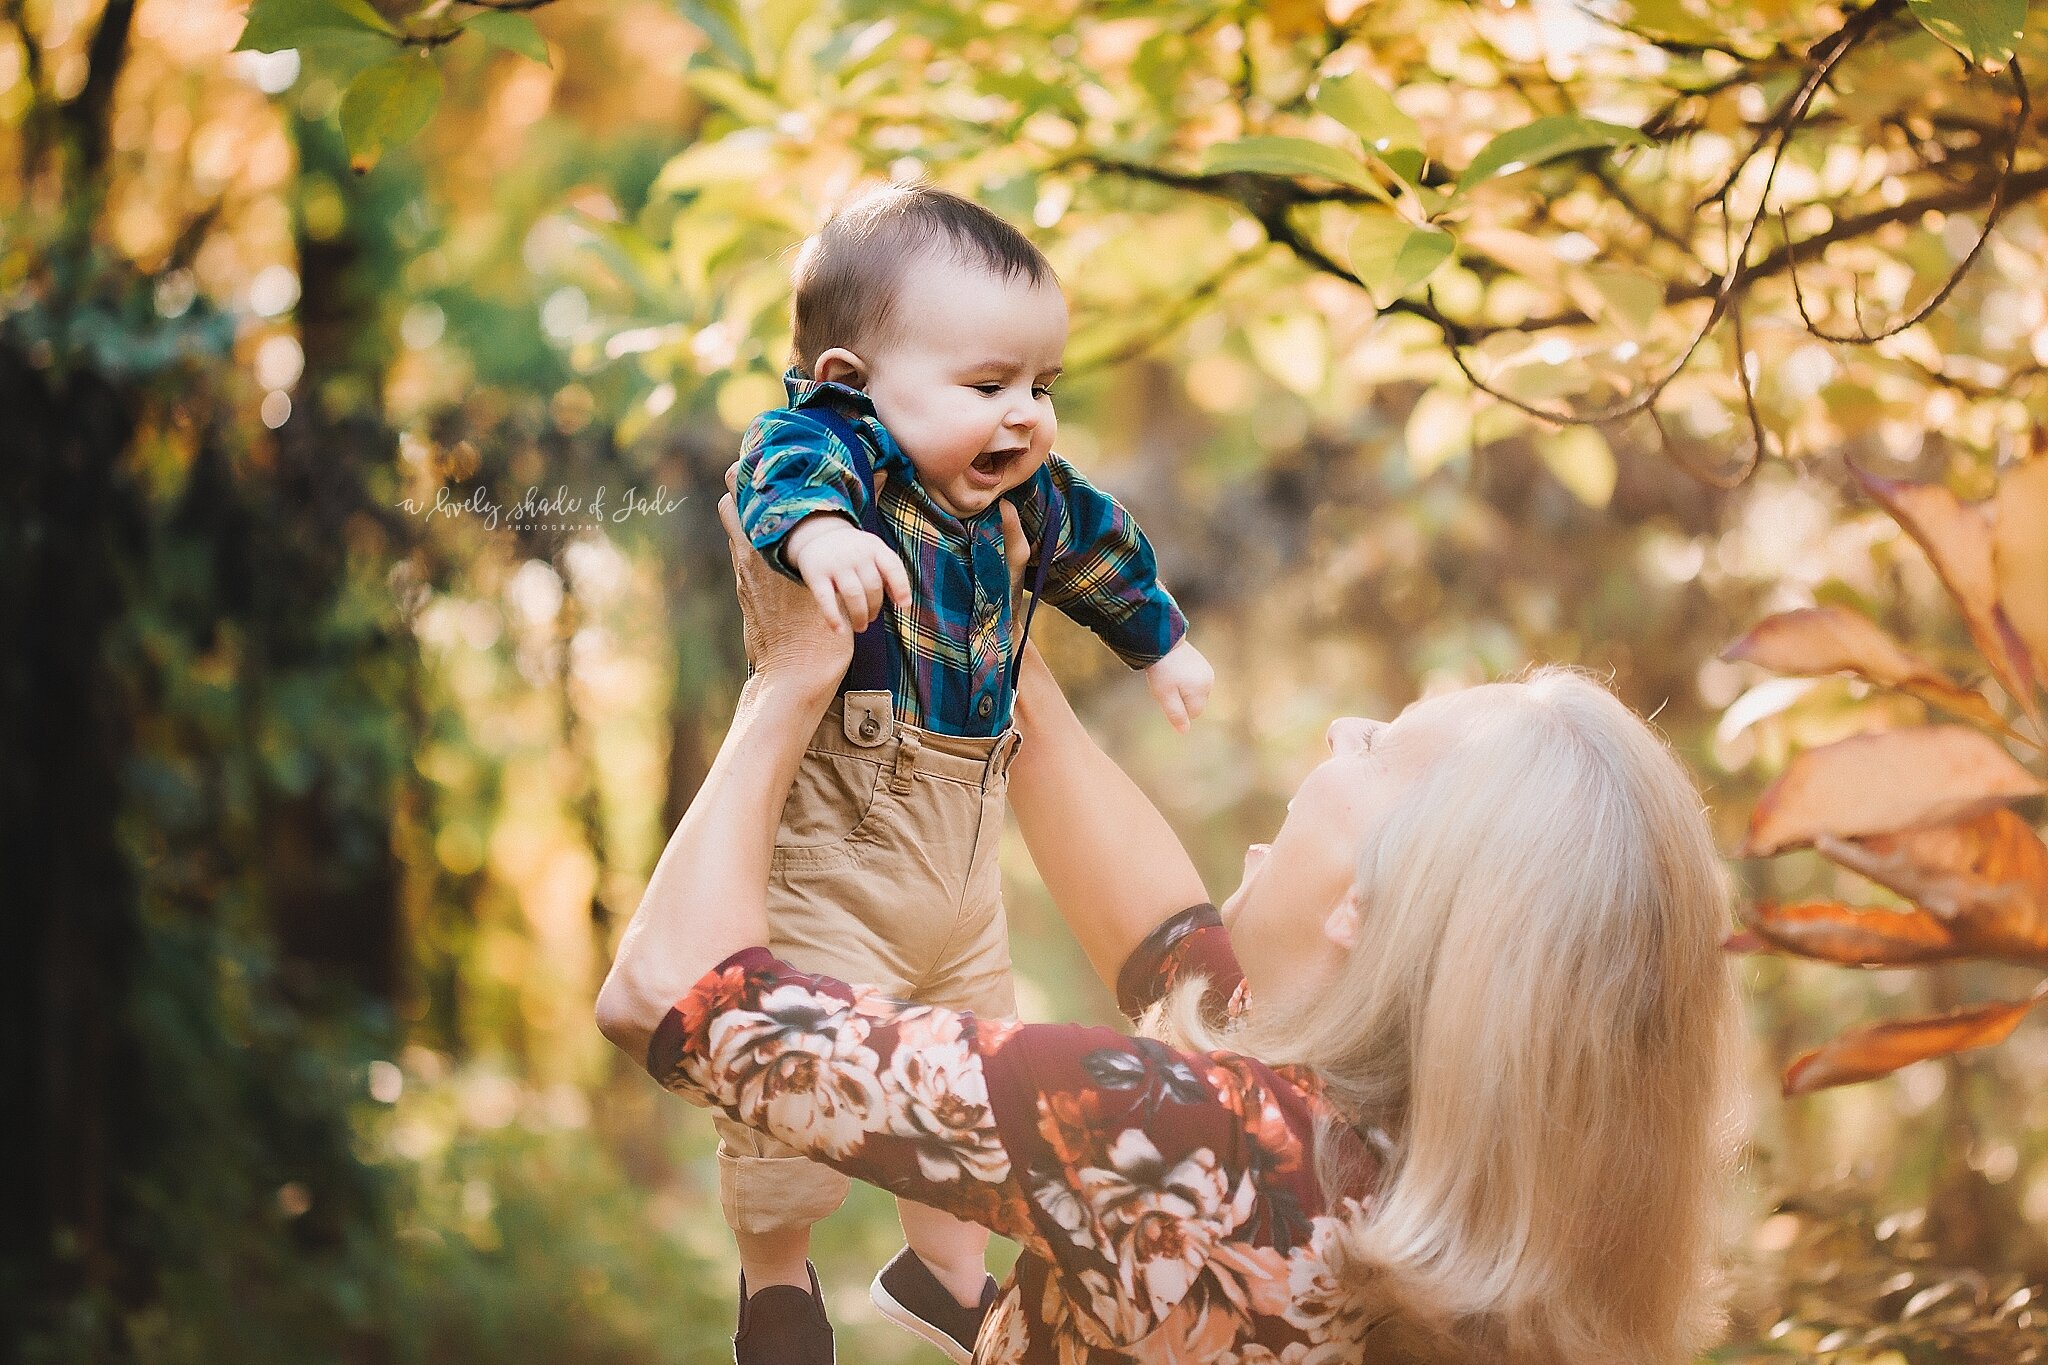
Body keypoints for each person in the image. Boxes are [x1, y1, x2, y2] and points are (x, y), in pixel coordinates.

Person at [595, 478, 1744, 1364]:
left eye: (1379, 748)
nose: (1344, 728)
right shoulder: (1401, 1168)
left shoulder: (1187, 1148)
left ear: (1369, 905)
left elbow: (671, 993)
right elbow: (1164, 947)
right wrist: (993, 644)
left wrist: (788, 681)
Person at [708, 180, 1212, 1362]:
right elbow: (778, 469)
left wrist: (1160, 641)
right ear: (850, 380)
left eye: (1040, 387)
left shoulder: (1017, 490)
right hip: (842, 848)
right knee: (795, 1085)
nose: (1026, 417)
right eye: (988, 386)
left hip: (960, 857)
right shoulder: (844, 456)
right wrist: (823, 537)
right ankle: (775, 1279)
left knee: (972, 1092)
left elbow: (1095, 541)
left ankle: (944, 1273)